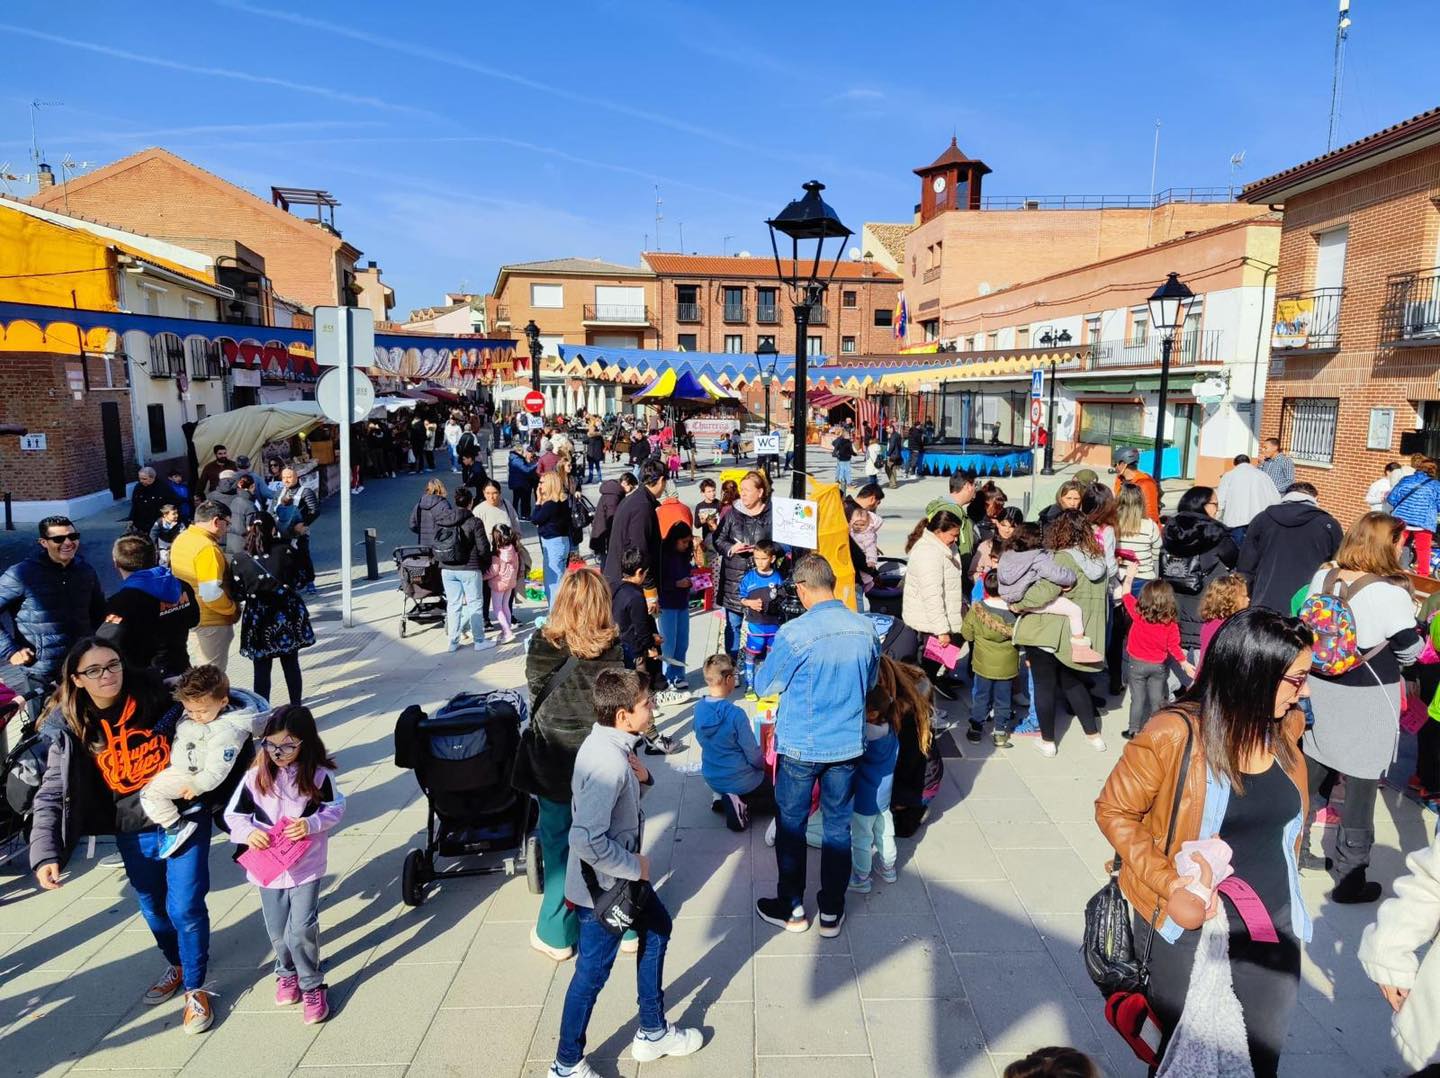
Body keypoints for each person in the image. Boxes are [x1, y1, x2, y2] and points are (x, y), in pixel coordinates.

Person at [1095, 608, 1314, 1077]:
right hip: (1189, 929)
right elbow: (1114, 810)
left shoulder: (1285, 728)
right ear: (1253, 674)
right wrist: (1170, 884)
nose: (1306, 691)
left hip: (1273, 927)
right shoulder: (1174, 733)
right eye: (1297, 680)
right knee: (1181, 1058)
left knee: (1261, 1062)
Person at [29, 638, 221, 1033]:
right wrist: (45, 852)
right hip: (131, 827)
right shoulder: (70, 725)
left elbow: (215, 701)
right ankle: (179, 963)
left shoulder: (156, 693)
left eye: (112, 664)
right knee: (152, 905)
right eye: (94, 670)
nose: (107, 676)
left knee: (185, 905)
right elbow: (52, 791)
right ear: (76, 679)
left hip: (185, 814)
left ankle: (195, 988)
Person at [548, 667, 703, 1077]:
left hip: (621, 882)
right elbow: (586, 840)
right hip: (605, 889)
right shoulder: (608, 763)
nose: (652, 710)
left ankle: (652, 1030)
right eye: (646, 705)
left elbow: (621, 804)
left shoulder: (610, 745)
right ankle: (565, 1063)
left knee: (659, 928)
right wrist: (637, 865)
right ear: (622, 715)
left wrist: (646, 777)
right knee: (592, 974)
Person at [755, 553, 879, 939]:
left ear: (803, 589)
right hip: (845, 744)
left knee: (791, 826)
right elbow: (871, 682)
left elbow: (764, 685)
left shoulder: (795, 633)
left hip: (801, 746)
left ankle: (792, 907)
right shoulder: (865, 628)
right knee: (837, 828)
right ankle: (831, 911)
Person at [1301, 512, 1423, 904]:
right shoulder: (1391, 593)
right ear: (1385, 545)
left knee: (1309, 773)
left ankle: (1295, 848)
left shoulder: (1324, 577)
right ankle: (1350, 875)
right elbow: (1411, 651)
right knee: (1360, 790)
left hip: (1322, 689)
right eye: (1399, 541)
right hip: (1369, 698)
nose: (1404, 548)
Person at [516, 569, 626, 962]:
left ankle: (557, 931)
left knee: (559, 846)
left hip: (553, 764)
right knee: (610, 840)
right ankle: (622, 922)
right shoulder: (614, 651)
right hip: (602, 766)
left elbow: (534, 696)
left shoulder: (540, 648)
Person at [225, 703, 346, 1026]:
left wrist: (312, 824)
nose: (278, 752)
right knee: (278, 931)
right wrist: (250, 833)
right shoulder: (254, 777)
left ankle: (312, 985)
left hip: (306, 866)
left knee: (301, 929)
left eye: (288, 746)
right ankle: (286, 971)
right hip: (268, 868)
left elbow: (336, 808)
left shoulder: (319, 775)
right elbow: (233, 816)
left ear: (305, 743)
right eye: (271, 744)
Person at [139, 665, 266, 857]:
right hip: (188, 767)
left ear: (223, 701)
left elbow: (218, 768)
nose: (196, 716)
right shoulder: (201, 709)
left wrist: (198, 785)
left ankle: (174, 826)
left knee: (150, 794)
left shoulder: (228, 731)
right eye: (189, 711)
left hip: (196, 776)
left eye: (201, 711)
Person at [1012, 511, 1110, 756]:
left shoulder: (1061, 559)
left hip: (1050, 633)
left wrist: (1017, 603)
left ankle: (1048, 742)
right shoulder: (1101, 562)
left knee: (1044, 687)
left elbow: (1044, 592)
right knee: (1074, 685)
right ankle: (1094, 736)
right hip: (1082, 636)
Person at [0, 515, 105, 719]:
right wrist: (9, 650)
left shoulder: (85, 570)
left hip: (82, 666)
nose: (68, 542)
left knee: (87, 723)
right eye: (59, 539)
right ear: (43, 542)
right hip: (43, 671)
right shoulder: (21, 574)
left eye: (73, 536)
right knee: (45, 731)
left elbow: (99, 612)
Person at [232, 511, 315, 703]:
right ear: (273, 529)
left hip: (258, 616)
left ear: (248, 529)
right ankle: (296, 706)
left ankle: (263, 709)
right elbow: (304, 578)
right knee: (291, 663)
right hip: (286, 613)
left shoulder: (239, 559)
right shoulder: (285, 550)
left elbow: (237, 592)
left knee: (261, 668)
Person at [997, 521, 1104, 664]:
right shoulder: (1036, 557)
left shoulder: (1007, 554)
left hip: (1008, 597)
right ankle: (1080, 648)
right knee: (1074, 610)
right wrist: (1070, 578)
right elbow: (1057, 574)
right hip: (1025, 599)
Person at [98, 534, 198, 679]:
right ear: (155, 557)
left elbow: (106, 641)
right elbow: (193, 620)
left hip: (146, 679)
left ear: (116, 563)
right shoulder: (181, 585)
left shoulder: (122, 602)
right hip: (181, 670)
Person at [1237, 481, 1343, 613]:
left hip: (1264, 602)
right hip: (1308, 606)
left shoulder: (1262, 519)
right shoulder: (1329, 525)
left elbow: (1246, 566)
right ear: (1315, 498)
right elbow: (1337, 566)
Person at [694, 653, 772, 832]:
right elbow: (753, 754)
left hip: (712, 775)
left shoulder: (699, 708)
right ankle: (742, 803)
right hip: (742, 779)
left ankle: (722, 797)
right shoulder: (735, 714)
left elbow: (701, 739)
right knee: (782, 800)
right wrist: (764, 767)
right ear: (728, 679)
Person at [1159, 486, 1240, 658]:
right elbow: (1232, 557)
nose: (1217, 508)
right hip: (1204, 607)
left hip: (1172, 605)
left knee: (1173, 662)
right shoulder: (1216, 533)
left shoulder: (1171, 529)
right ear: (1203, 505)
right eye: (1215, 504)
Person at [167, 501, 239, 672]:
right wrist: (231, 608)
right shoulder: (207, 548)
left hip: (189, 614)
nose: (227, 529)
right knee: (211, 677)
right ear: (216, 521)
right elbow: (211, 593)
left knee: (201, 673)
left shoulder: (182, 539)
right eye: (227, 523)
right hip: (211, 620)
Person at [900, 503, 969, 677]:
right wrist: (941, 631)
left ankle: (933, 685)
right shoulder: (928, 553)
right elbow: (932, 596)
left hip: (944, 616)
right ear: (938, 532)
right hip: (931, 622)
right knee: (927, 670)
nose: (956, 540)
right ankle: (922, 696)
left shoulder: (944, 546)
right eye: (953, 535)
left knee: (936, 664)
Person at [1121, 580, 1194, 740]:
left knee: (1138, 699)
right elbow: (1173, 646)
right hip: (1158, 666)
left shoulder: (1138, 614)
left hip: (1137, 664)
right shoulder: (1171, 624)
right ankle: (1157, 731)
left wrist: (1130, 576)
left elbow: (1125, 594)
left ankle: (1133, 730)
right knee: (1157, 700)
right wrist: (1184, 663)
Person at [847, 678, 900, 894]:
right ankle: (888, 868)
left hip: (864, 797)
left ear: (871, 713)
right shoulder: (891, 732)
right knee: (886, 831)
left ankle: (861, 877)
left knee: (861, 837)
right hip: (884, 796)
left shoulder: (863, 737)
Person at [960, 570, 1019, 747]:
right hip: (1006, 666)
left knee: (981, 696)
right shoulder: (1013, 613)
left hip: (982, 664)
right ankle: (1000, 732)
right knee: (1003, 699)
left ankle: (976, 730)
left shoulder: (977, 610)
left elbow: (967, 635)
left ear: (985, 587)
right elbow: (1021, 638)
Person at [436, 488, 493, 652]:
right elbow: (483, 547)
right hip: (469, 566)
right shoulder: (474, 522)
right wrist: (484, 565)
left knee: (453, 605)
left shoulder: (444, 520)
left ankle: (452, 642)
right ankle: (479, 640)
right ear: (471, 502)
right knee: (475, 603)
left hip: (447, 567)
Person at [738, 539, 786, 694]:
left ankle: (769, 685)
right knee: (752, 653)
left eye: (763, 558)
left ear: (772, 559)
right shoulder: (749, 578)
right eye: (756, 558)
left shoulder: (778, 577)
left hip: (774, 625)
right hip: (756, 625)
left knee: (771, 656)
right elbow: (741, 598)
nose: (759, 562)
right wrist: (750, 603)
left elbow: (782, 598)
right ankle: (750, 685)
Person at [612, 548, 664, 687]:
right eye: (645, 573)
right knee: (640, 687)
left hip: (620, 645)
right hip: (635, 651)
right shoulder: (636, 597)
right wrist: (652, 645)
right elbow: (641, 629)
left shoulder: (615, 587)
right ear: (639, 572)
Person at [657, 524, 694, 696]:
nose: (686, 545)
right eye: (684, 542)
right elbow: (659, 581)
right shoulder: (663, 556)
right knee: (668, 644)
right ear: (675, 540)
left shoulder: (684, 555)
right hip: (667, 603)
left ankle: (678, 675)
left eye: (688, 542)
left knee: (682, 642)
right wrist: (676, 584)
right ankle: (666, 677)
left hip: (682, 603)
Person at [1388, 457, 1440, 578]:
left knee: (1398, 545)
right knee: (1423, 549)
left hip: (1402, 519)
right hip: (1424, 521)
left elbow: (1391, 498)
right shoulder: (1436, 486)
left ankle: (1392, 568)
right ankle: (1423, 576)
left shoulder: (1406, 480)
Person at [1216, 453, 1280, 549]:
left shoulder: (1229, 475)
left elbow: (1220, 498)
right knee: (1255, 548)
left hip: (1236, 520)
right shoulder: (1263, 475)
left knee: (1237, 549)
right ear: (1249, 462)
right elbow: (1275, 498)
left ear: (1235, 464)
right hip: (1258, 518)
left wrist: (1218, 514)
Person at [532, 472, 574, 609]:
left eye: (542, 482)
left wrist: (538, 501)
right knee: (558, 580)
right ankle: (557, 614)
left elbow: (535, 519)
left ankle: (555, 616)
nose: (539, 485)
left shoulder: (551, 504)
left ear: (550, 484)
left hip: (553, 543)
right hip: (561, 542)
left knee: (552, 583)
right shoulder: (562, 501)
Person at [273, 468, 319, 592]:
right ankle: (291, 582)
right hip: (281, 533)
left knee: (303, 556)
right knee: (285, 558)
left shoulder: (306, 492)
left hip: (299, 533)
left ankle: (310, 581)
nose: (286, 480)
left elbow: (314, 511)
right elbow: (273, 510)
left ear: (296, 477)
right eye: (284, 477)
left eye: (289, 477)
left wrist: (303, 524)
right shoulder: (279, 492)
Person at [1196, 572, 1250, 671]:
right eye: (1244, 596)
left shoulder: (1210, 624)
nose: (1248, 599)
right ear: (1231, 600)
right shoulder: (1228, 628)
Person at [484, 524, 522, 645]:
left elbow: (493, 571)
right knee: (506, 605)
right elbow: (517, 567)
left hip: (498, 585)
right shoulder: (514, 550)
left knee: (497, 609)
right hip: (510, 583)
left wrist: (482, 576)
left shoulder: (497, 555)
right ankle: (507, 628)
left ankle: (507, 632)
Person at [589, 472, 633, 563]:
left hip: (602, 533)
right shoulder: (614, 495)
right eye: (631, 487)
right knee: (607, 564)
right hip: (606, 536)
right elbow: (611, 519)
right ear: (625, 483)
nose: (630, 491)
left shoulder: (613, 492)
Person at [1112, 447, 1161, 524]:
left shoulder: (1146, 483)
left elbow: (1151, 515)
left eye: (1115, 464)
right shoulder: (1119, 480)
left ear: (1122, 464)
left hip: (1141, 529)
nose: (1114, 467)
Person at [129, 467, 176, 536]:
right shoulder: (138, 488)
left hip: (157, 522)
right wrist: (131, 519)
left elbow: (172, 504)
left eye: (144, 479)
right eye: (140, 479)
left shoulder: (163, 488)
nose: (141, 481)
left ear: (152, 478)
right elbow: (135, 504)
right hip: (141, 524)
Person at [409, 478, 451, 551]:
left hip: (423, 545)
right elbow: (450, 525)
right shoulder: (444, 504)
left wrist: (423, 532)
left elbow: (412, 525)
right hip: (439, 546)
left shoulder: (419, 505)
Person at [509, 445, 539, 520]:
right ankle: (522, 515)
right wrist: (536, 464)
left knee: (517, 499)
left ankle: (517, 515)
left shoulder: (515, 458)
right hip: (520, 482)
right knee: (522, 499)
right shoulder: (517, 459)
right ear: (517, 451)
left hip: (518, 482)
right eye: (522, 451)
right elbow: (526, 470)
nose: (523, 452)